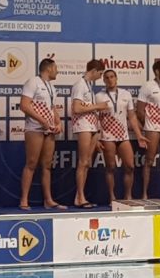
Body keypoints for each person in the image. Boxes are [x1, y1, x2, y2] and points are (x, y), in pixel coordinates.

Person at [96, 69, 148, 203]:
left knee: (130, 166)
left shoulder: (126, 94)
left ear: (116, 78)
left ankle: (128, 196)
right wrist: (97, 137)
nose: (110, 79)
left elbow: (132, 116)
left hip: (123, 136)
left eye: (112, 77)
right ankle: (112, 197)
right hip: (107, 136)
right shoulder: (99, 96)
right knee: (110, 167)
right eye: (107, 78)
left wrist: (139, 135)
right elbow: (96, 118)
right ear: (104, 80)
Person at [19, 58, 64, 210]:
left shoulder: (52, 87)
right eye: (56, 68)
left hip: (48, 129)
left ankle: (48, 200)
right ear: (49, 68)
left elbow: (52, 108)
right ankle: (24, 200)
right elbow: (24, 105)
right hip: (34, 128)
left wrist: (58, 122)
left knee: (47, 165)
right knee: (31, 163)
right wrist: (42, 120)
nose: (57, 71)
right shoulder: (33, 82)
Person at [71, 59, 109, 208]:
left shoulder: (88, 85)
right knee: (83, 162)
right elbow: (76, 108)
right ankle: (80, 197)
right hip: (83, 125)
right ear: (93, 71)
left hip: (91, 126)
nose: (101, 76)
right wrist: (98, 106)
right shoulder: (80, 85)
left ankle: (79, 197)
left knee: (87, 162)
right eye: (100, 73)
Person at [137, 58, 160, 202]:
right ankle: (144, 194)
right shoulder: (147, 86)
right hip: (152, 128)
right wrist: (148, 124)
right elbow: (140, 110)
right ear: (157, 71)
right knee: (149, 160)